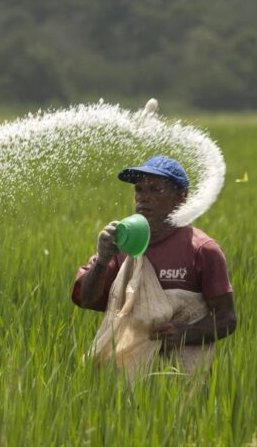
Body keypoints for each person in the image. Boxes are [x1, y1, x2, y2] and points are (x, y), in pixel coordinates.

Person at [72, 155, 237, 363]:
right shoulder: (121, 245)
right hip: (127, 377)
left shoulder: (202, 250)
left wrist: (183, 334)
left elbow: (226, 319)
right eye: (139, 189)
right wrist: (103, 261)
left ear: (181, 198)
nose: (143, 197)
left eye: (155, 190)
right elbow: (87, 300)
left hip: (184, 379)